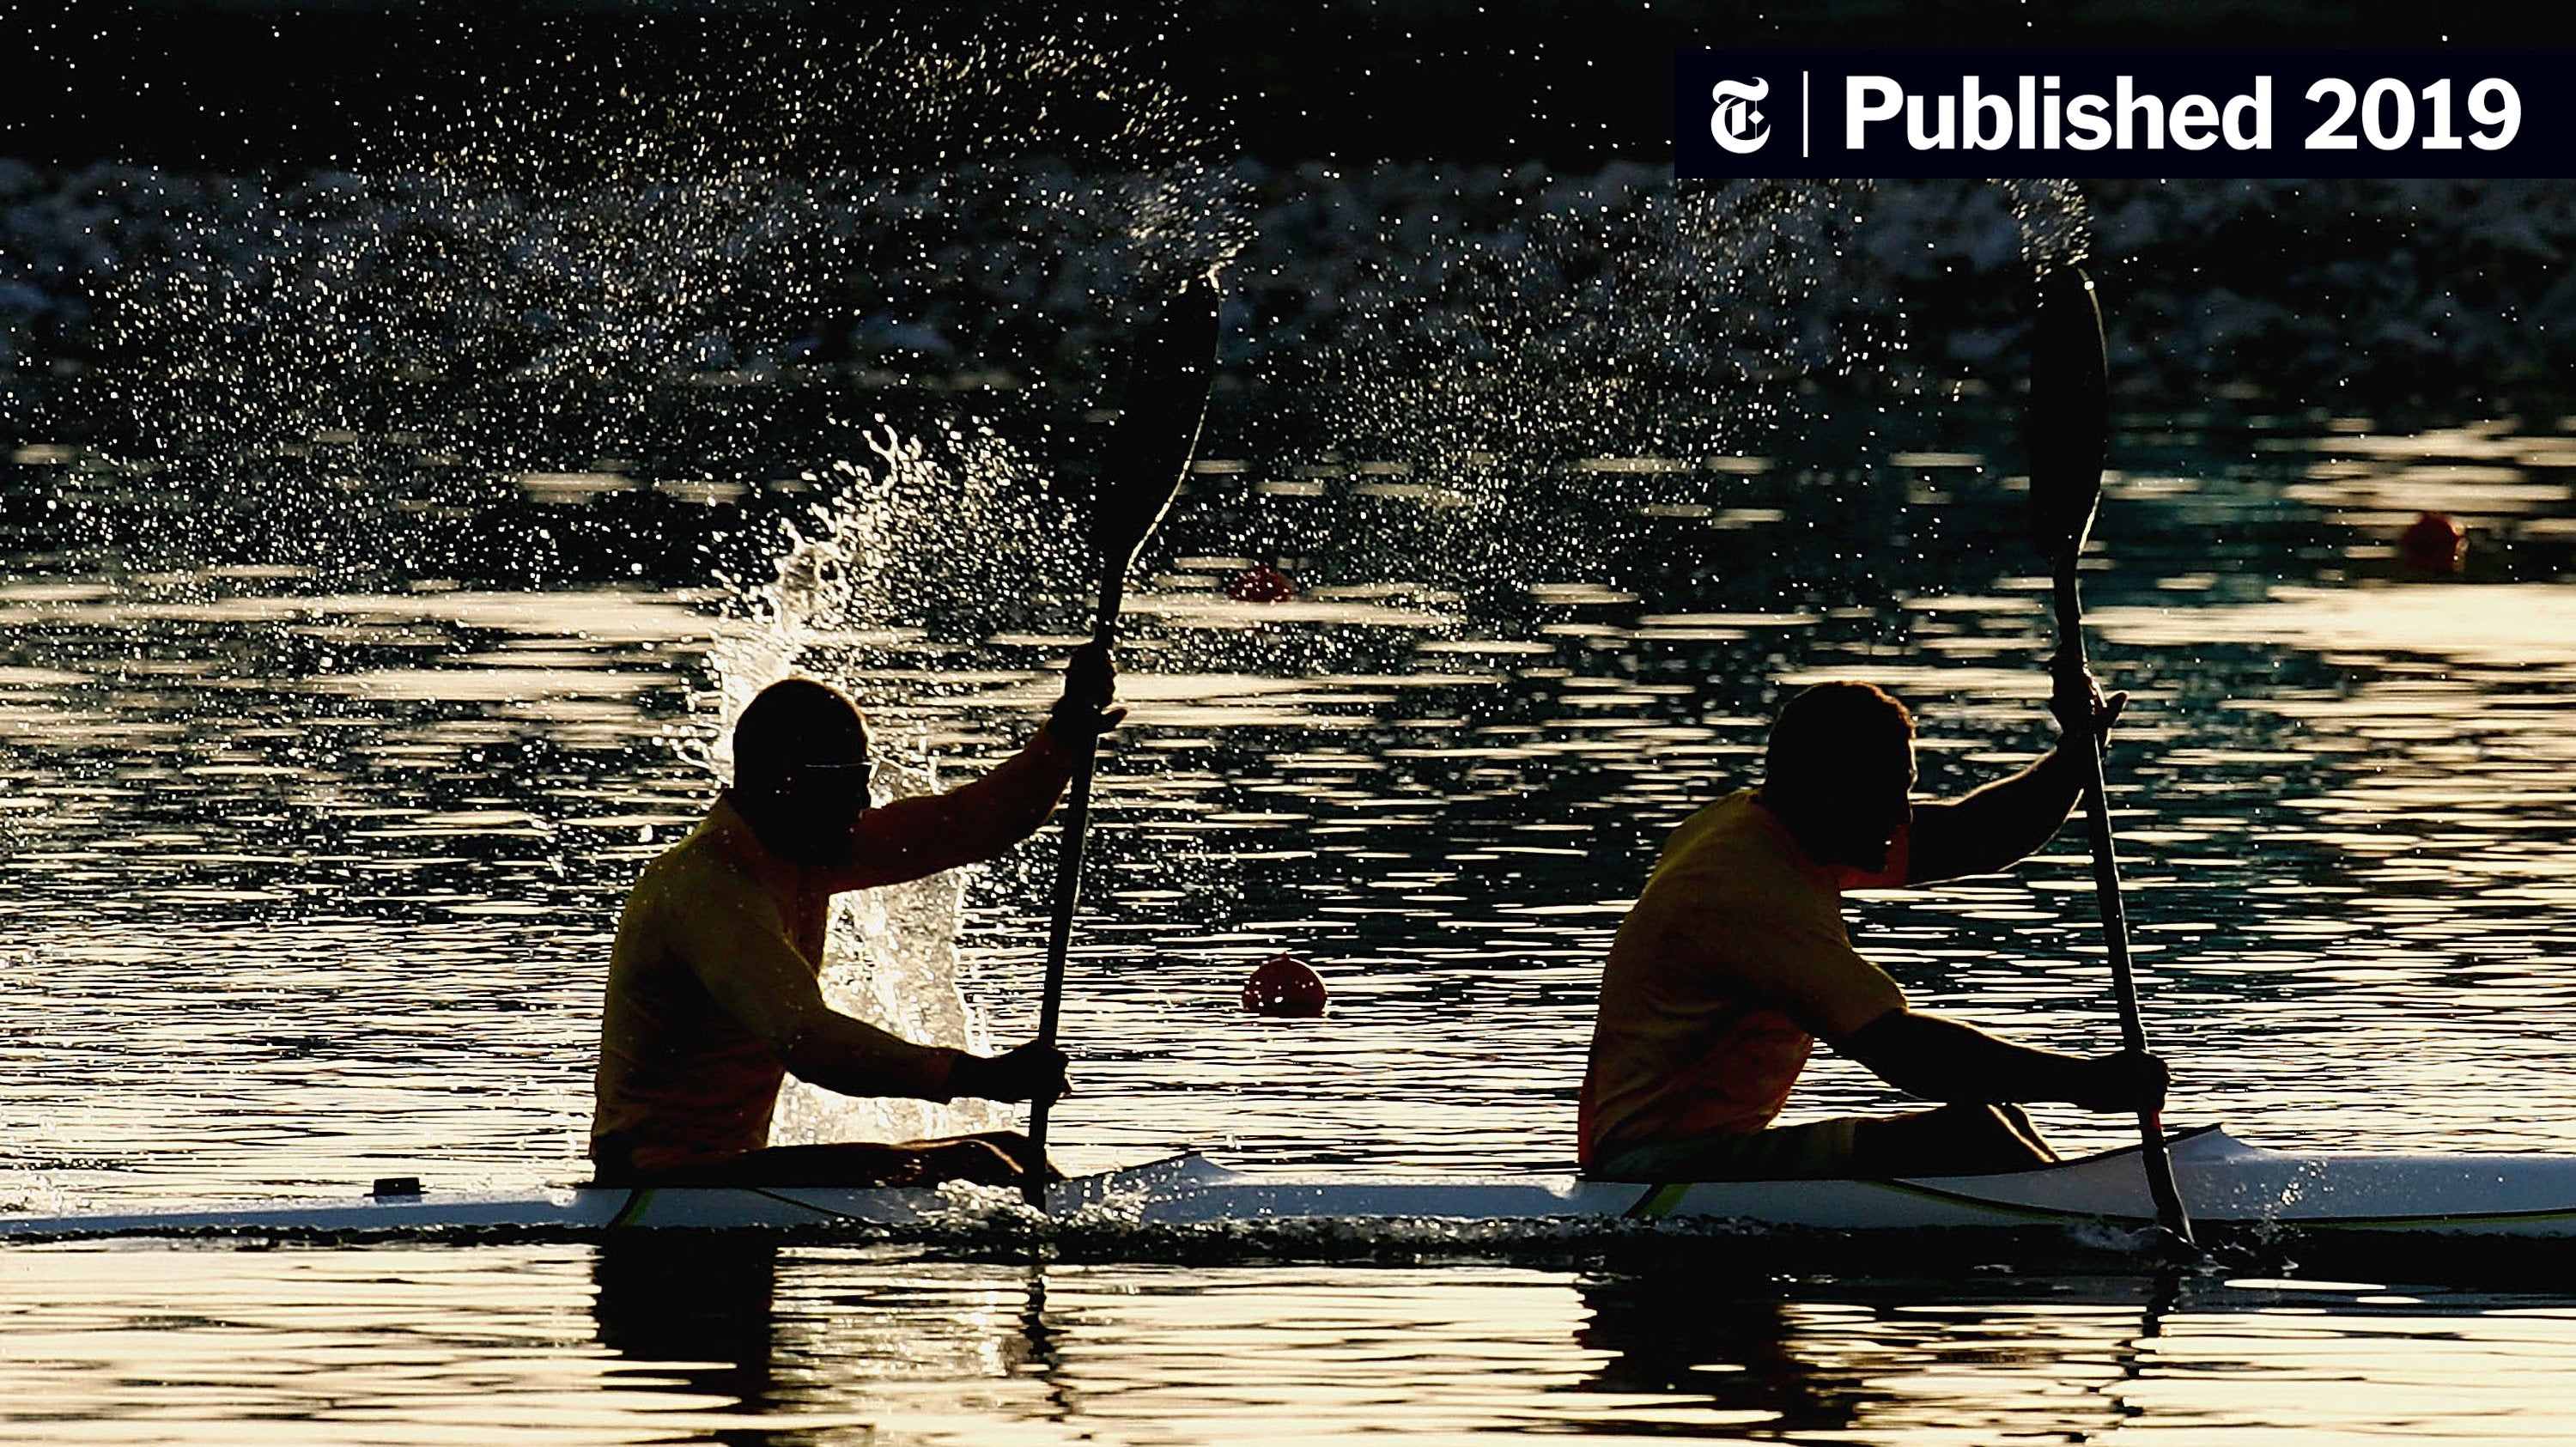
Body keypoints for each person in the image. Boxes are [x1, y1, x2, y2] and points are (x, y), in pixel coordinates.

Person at [1578, 656, 2169, 1182]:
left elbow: (1978, 836)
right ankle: (2100, 1227)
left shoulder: (1782, 825)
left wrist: (2078, 749)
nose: (1903, 813)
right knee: (1973, 1130)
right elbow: (1907, 1054)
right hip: (1652, 1169)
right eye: (1887, 793)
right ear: (1825, 791)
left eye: (1905, 789)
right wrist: (2086, 1082)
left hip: (1703, 1148)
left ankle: (2082, 1209)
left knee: (1996, 1109)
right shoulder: (1744, 894)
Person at [587, 644, 1121, 1189]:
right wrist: (978, 1076)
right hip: (657, 1176)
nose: (862, 801)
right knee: (979, 1166)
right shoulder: (707, 888)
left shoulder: (803, 846)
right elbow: (809, 1042)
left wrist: (1066, 732)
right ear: (788, 784)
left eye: (862, 775)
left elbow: (972, 822)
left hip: (726, 1167)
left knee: (1008, 1150)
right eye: (846, 781)